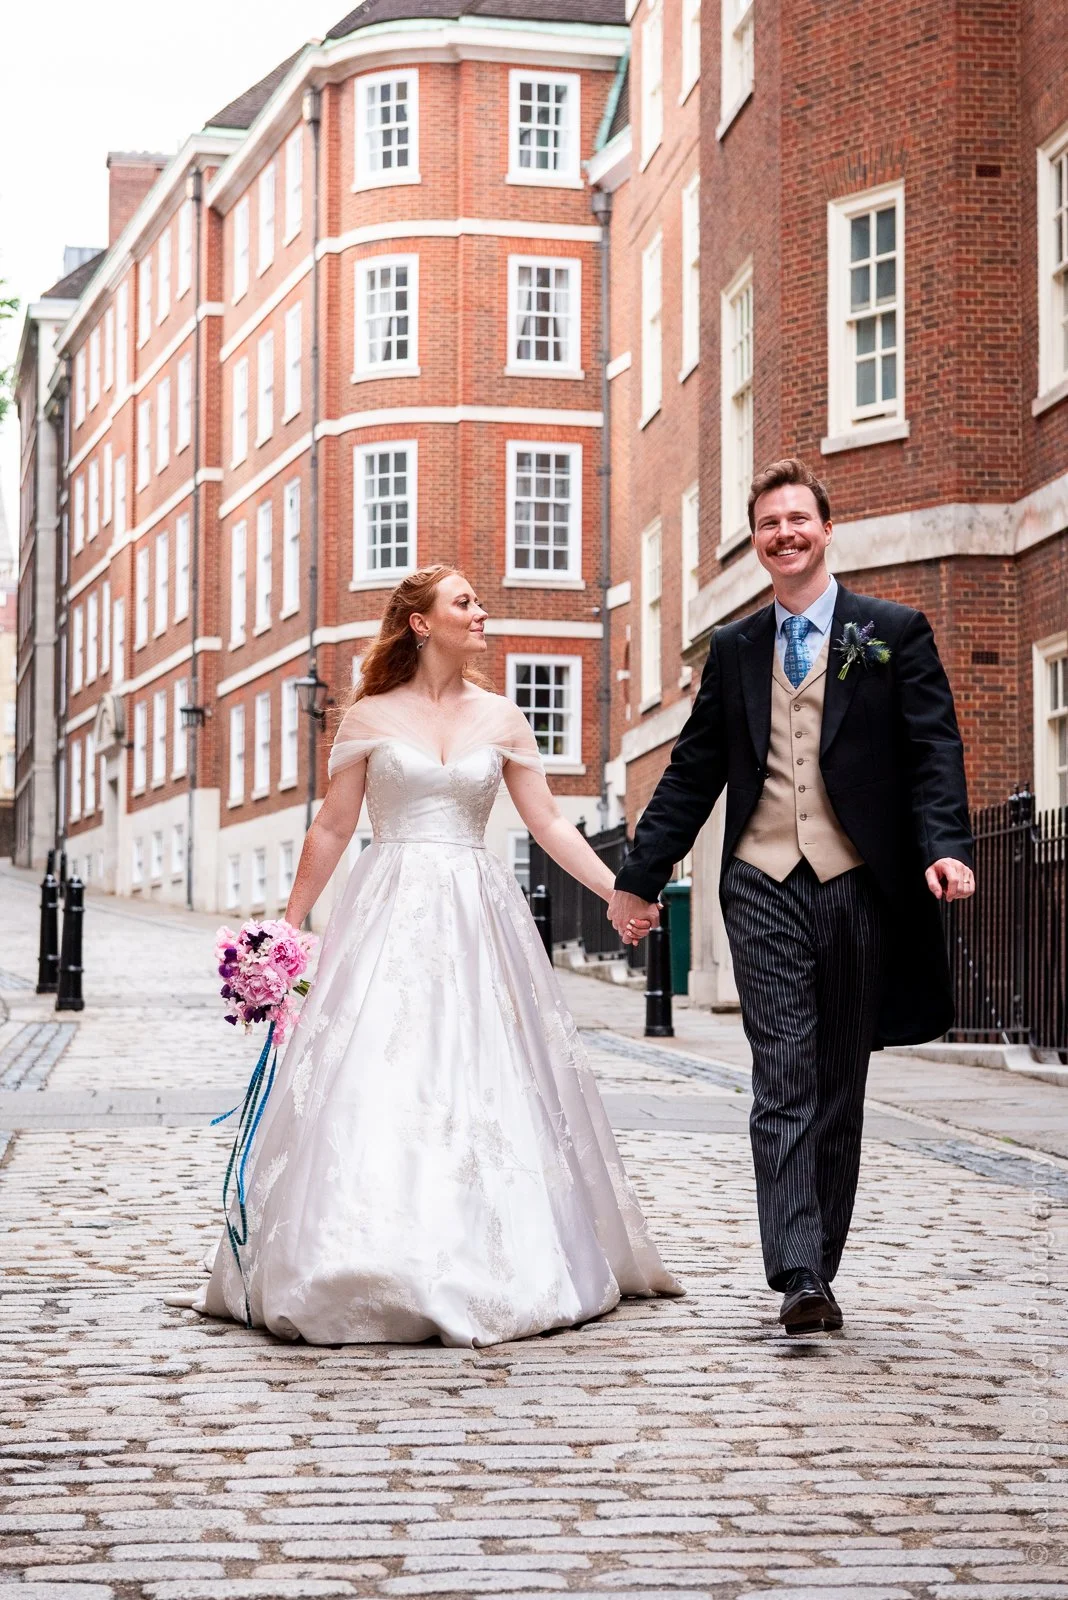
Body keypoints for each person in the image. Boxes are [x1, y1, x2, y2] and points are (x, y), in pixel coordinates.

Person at [190, 565, 681, 1347]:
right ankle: (354, 1251)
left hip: (477, 913)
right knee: (378, 1068)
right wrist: (288, 934)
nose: (480, 611)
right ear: (421, 622)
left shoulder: (502, 716)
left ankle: (490, 1250)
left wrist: (621, 887)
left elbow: (550, 824)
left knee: (482, 1069)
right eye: (465, 602)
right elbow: (331, 827)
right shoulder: (370, 716)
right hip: (387, 909)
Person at [608, 458, 974, 1336]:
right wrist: (637, 880)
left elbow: (933, 751)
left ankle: (821, 1258)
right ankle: (799, 1273)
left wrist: (947, 848)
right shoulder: (735, 650)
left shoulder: (892, 631)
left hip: (859, 886)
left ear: (826, 528)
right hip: (762, 882)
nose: (784, 535)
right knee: (784, 1072)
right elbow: (693, 772)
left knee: (840, 1080)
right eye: (769, 523)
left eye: (797, 519)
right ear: (757, 539)